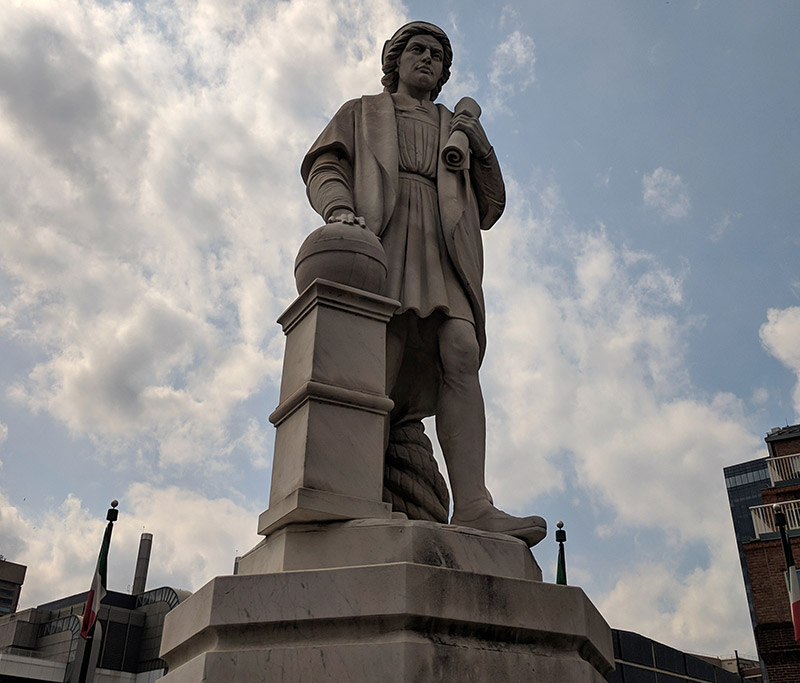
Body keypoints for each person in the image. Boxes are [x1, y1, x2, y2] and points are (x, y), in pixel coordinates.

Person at [301, 21, 545, 546]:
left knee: (460, 349)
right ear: (395, 60)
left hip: (446, 245)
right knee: (378, 359)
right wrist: (339, 209)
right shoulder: (362, 112)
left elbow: (491, 206)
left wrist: (480, 147)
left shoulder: (452, 124)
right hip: (382, 235)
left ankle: (474, 505)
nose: (428, 59)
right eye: (417, 49)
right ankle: (359, 491)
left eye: (437, 54)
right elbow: (324, 164)